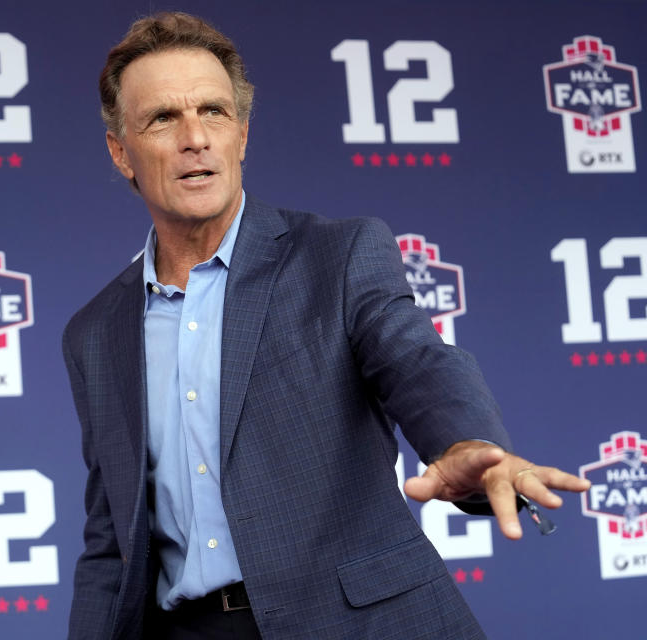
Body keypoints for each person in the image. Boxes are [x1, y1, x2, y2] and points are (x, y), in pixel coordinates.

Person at [62, 12, 589, 640]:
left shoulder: (336, 256)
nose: (195, 138)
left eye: (214, 112)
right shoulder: (94, 333)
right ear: (121, 152)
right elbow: (110, 542)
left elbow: (418, 360)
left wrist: (463, 444)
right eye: (163, 119)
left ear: (243, 136)